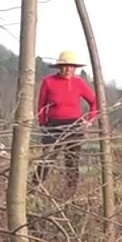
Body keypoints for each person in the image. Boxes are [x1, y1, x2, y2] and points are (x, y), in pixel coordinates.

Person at [34, 50, 99, 190]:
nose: (69, 69)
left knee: (72, 161)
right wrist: (43, 124)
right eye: (65, 66)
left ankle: (70, 192)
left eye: (72, 66)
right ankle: (34, 188)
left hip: (74, 126)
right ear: (59, 67)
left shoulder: (79, 83)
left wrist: (90, 120)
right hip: (53, 126)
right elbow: (41, 106)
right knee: (47, 159)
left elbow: (94, 102)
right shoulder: (48, 82)